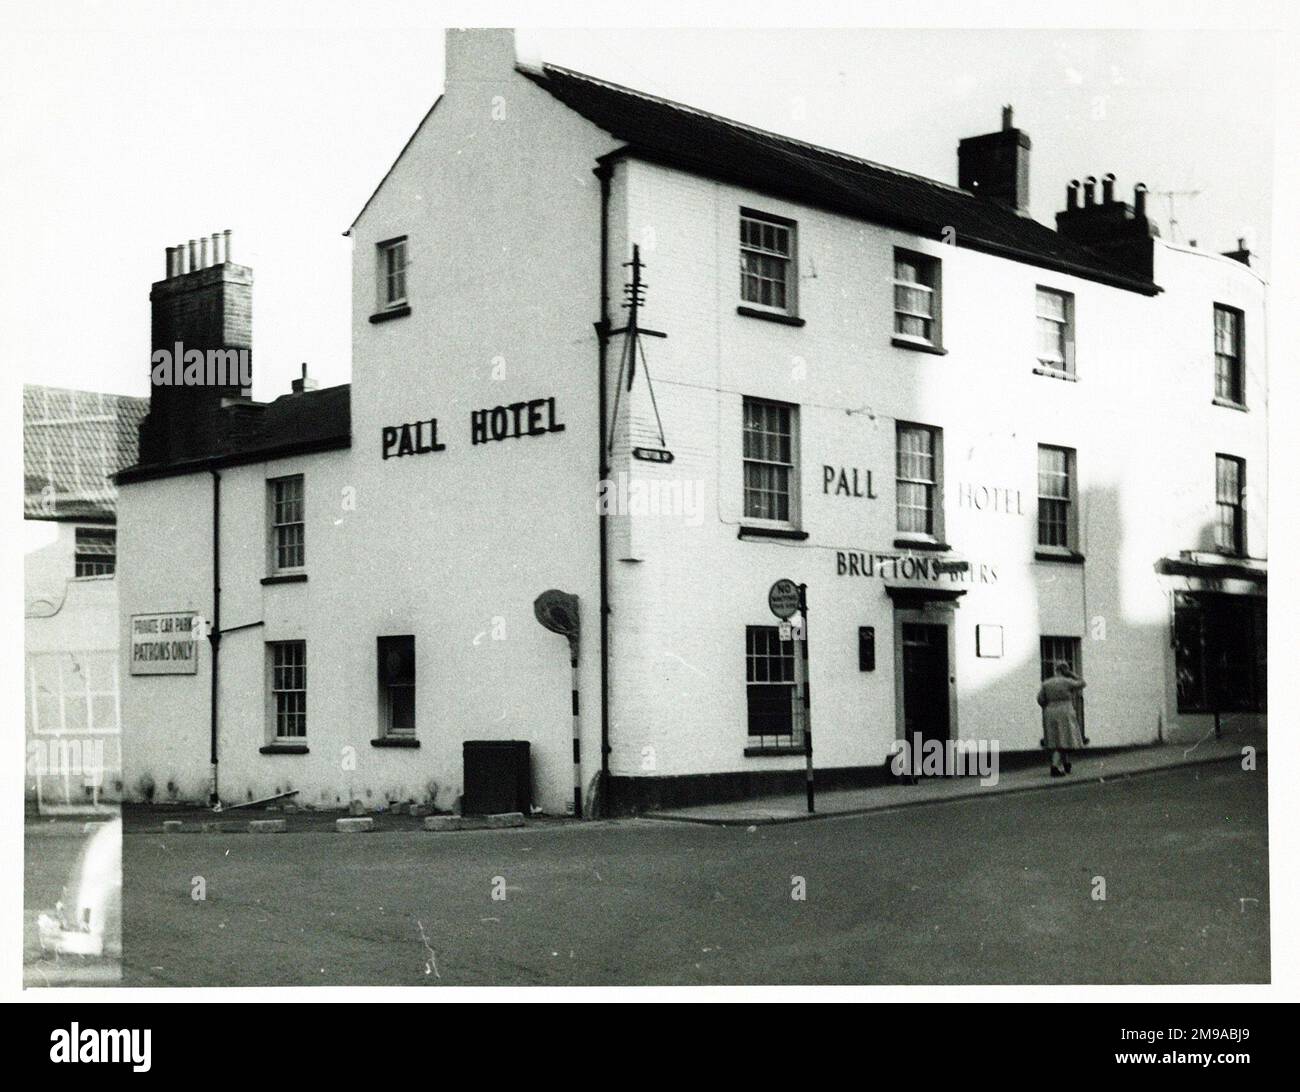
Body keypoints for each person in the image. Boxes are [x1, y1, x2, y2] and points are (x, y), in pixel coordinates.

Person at [1037, 662, 1086, 777]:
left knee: (1057, 738)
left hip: (1050, 711)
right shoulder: (1067, 681)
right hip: (1065, 710)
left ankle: (1066, 763)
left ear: (1056, 670)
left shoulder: (1046, 683)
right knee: (1063, 738)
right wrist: (1071, 674)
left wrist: (1048, 705)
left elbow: (1040, 699)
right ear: (1065, 670)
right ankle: (1054, 767)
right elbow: (1082, 683)